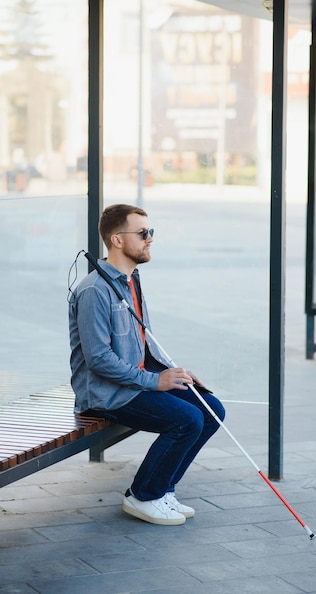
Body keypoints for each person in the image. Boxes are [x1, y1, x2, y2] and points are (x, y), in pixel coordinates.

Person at [69, 203, 225, 525]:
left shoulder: (132, 279)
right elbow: (99, 360)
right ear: (117, 240)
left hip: (136, 380)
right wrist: (157, 382)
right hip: (106, 393)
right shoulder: (95, 291)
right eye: (142, 233)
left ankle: (163, 488)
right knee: (187, 420)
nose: (150, 238)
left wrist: (173, 371)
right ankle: (143, 496)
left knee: (211, 410)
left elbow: (142, 344)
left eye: (150, 231)